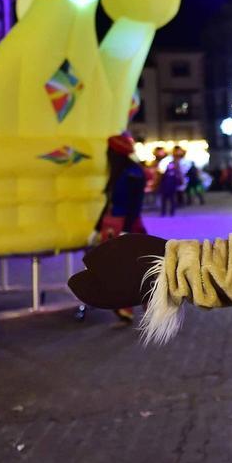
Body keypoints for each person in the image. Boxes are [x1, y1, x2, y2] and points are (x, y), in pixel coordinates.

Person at [93, 133, 147, 323]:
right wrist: (97, 226)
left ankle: (132, 305)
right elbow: (109, 202)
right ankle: (128, 305)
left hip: (123, 224)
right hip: (114, 225)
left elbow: (135, 203)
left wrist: (126, 228)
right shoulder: (123, 172)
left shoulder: (131, 173)